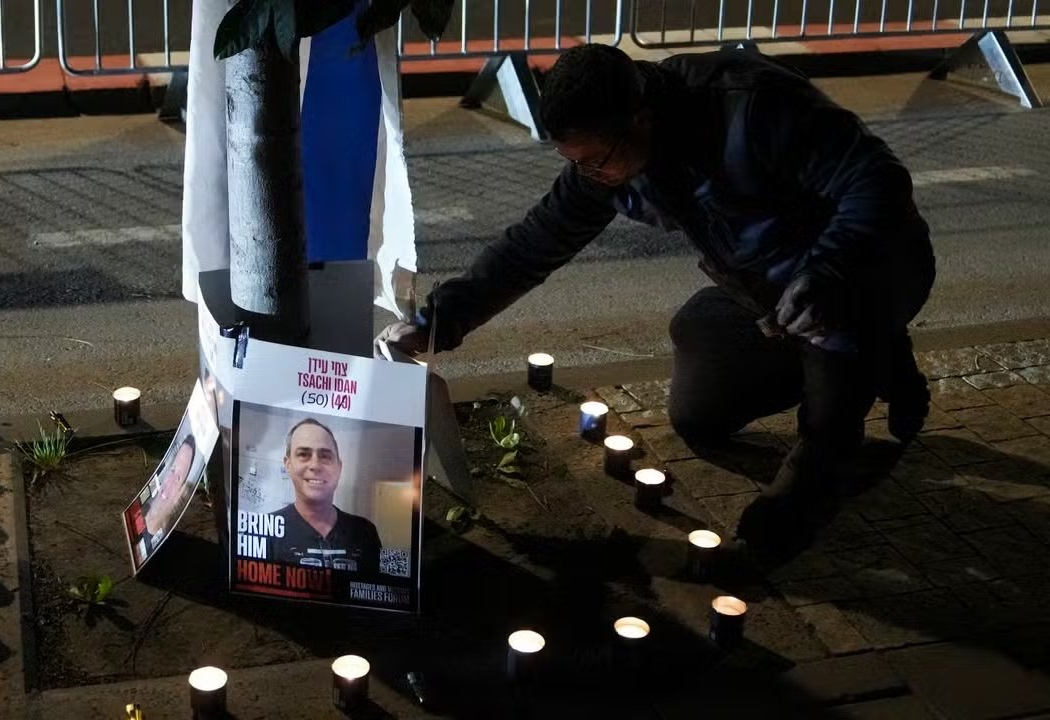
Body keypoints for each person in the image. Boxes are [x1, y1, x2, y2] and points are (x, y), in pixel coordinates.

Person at [377, 44, 935, 557]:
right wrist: (439, 321)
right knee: (698, 412)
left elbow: (876, 179)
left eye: (596, 161)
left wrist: (830, 271)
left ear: (641, 119)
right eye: (576, 164)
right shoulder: (610, 155)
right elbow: (534, 244)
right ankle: (871, 354)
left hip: (860, 273)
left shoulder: (750, 107)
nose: (589, 176)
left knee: (826, 436)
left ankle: (773, 534)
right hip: (763, 295)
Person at [268, 418, 383, 572]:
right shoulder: (266, 531)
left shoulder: (366, 532)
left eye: (325, 456)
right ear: (288, 465)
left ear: (339, 467)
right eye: (303, 454)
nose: (315, 465)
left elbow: (388, 590)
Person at [130, 435, 198, 564]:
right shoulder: (136, 517)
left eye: (179, 478)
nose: (171, 480)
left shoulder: (153, 547)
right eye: (172, 470)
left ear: (181, 494)